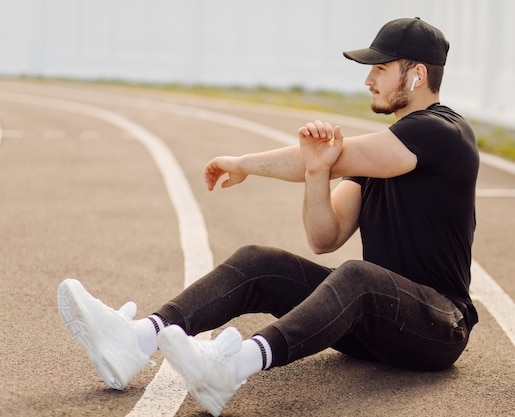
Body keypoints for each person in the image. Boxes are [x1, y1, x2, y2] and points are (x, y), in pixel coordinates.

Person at [57, 17, 479, 416]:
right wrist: (317, 171)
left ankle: (234, 367)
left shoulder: (442, 133)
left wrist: (243, 163)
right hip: (379, 325)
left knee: (357, 275)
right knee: (260, 261)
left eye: (380, 69)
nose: (368, 80)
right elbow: (323, 237)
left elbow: (337, 159)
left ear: (417, 75)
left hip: (439, 326)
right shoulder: (384, 158)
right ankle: (135, 339)